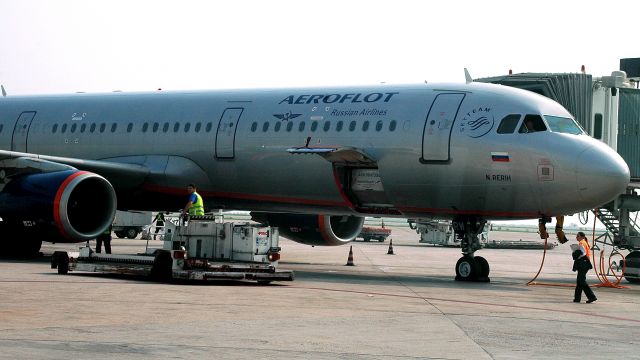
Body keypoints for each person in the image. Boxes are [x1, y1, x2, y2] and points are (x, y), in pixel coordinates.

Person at [572, 232, 597, 303]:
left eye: (578, 236)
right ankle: (577, 298)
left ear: (582, 237)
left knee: (581, 281)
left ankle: (592, 297)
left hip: (584, 263)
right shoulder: (583, 242)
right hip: (584, 263)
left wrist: (575, 253)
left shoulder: (582, 243)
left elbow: (583, 253)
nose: (576, 237)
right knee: (579, 281)